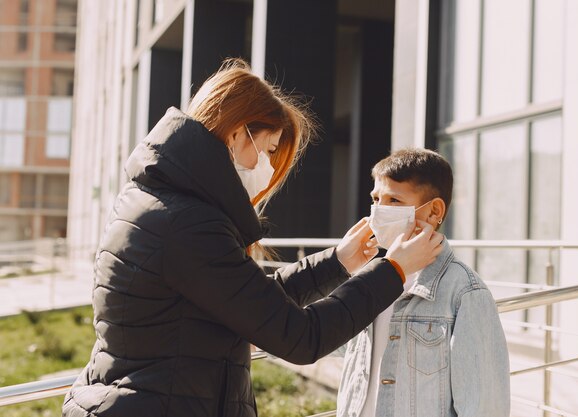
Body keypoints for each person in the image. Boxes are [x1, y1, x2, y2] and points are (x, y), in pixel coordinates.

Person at [61, 60, 444, 417]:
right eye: (268, 149)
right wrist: (392, 270)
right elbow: (299, 336)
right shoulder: (188, 223)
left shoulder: (159, 200)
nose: (267, 164)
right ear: (236, 134)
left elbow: (247, 299)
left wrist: (337, 262)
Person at [336, 148, 510, 417]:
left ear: (434, 212)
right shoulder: (367, 278)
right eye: (376, 198)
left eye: (394, 200)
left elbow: (484, 407)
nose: (379, 211)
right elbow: (324, 340)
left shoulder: (465, 293)